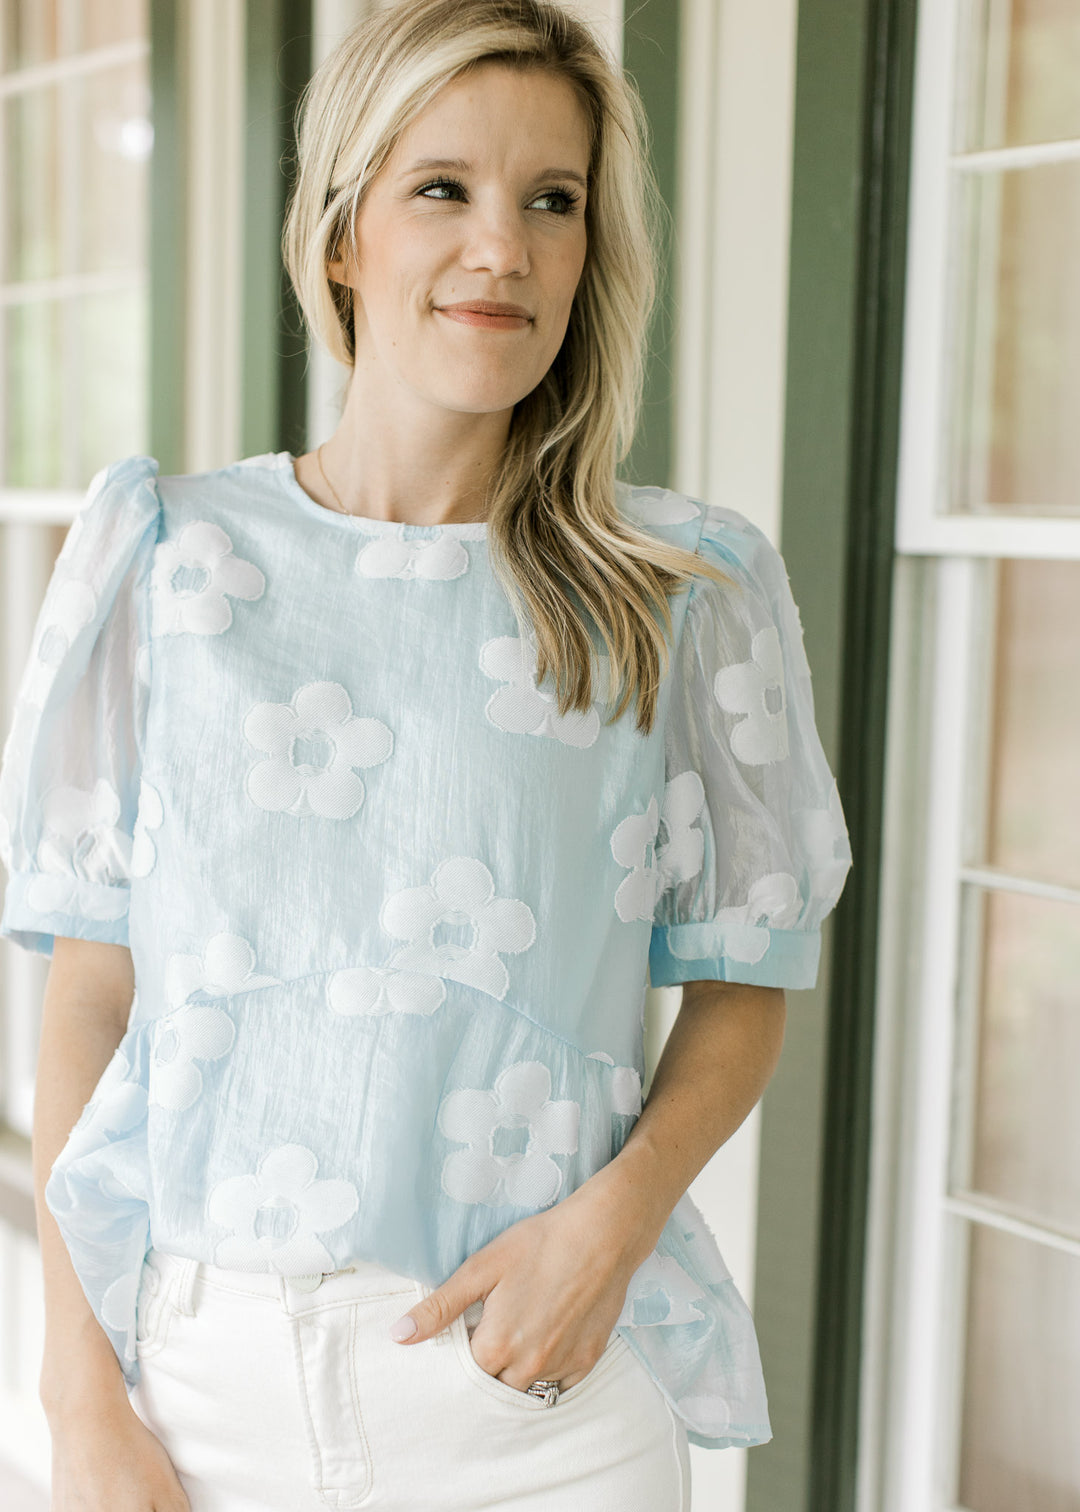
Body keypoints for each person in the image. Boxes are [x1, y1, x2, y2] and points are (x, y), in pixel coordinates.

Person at [0, 1, 852, 1508]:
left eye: (553, 203)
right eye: (442, 190)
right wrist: (81, 1401)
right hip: (198, 1388)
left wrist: (616, 1226)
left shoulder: (675, 585)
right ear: (344, 238)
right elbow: (90, 984)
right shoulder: (167, 555)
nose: (501, 251)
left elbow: (749, 976)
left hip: (535, 1405)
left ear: (592, 255)